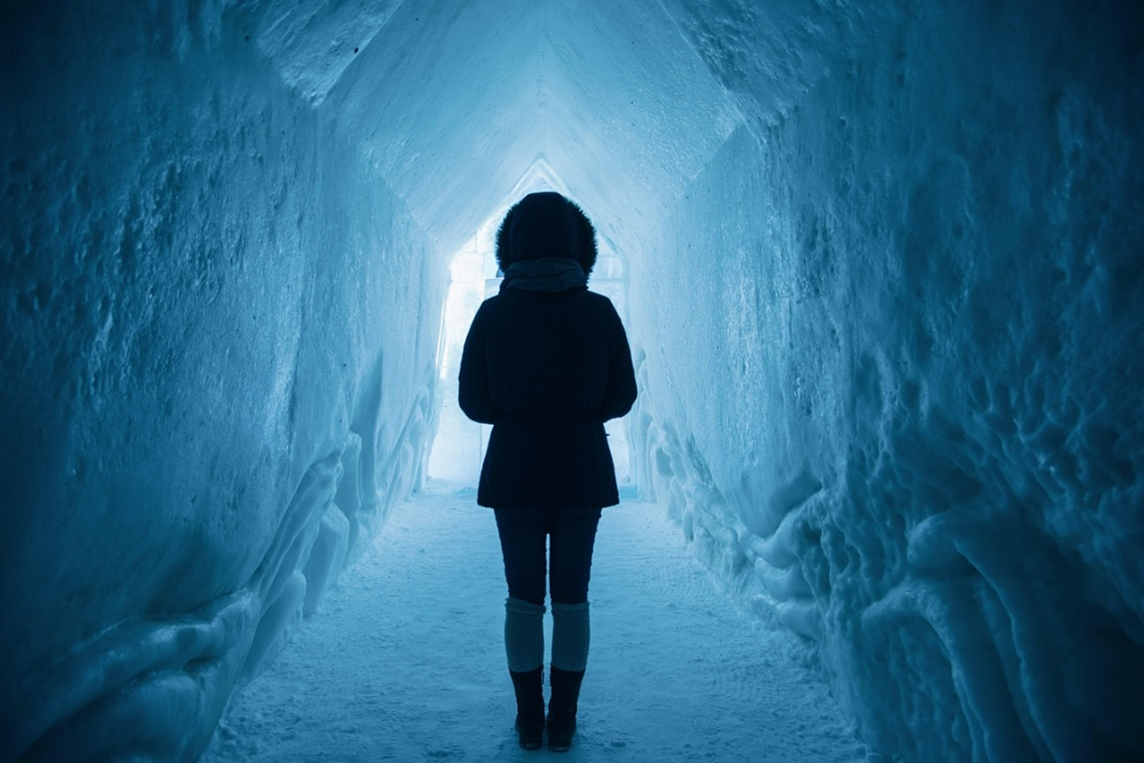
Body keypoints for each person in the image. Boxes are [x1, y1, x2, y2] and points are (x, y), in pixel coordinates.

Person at [458, 191, 638, 752]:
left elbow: (473, 402)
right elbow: (623, 395)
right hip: (582, 469)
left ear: (511, 247)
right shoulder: (599, 311)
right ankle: (563, 719)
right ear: (577, 246)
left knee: (523, 598)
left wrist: (518, 414)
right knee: (572, 598)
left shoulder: (493, 314)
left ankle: (528, 719)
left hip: (514, 470)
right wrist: (578, 414)